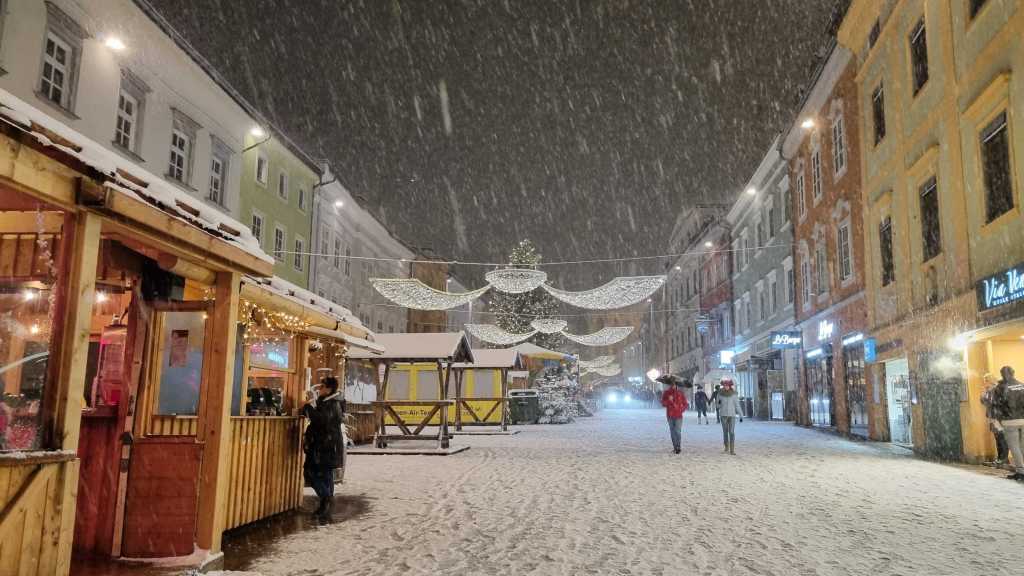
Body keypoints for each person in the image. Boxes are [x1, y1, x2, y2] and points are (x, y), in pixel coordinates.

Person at [302, 377, 345, 520]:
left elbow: (321, 420)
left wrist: (307, 407)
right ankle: (326, 504)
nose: (319, 388)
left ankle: (326, 499)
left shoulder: (332, 404)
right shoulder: (331, 402)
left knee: (313, 474)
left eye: (322, 386)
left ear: (328, 389)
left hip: (324, 446)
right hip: (327, 445)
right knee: (325, 475)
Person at [991, 366, 1024, 481]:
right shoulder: (1021, 385)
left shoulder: (999, 388)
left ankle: (1021, 472)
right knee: (1022, 446)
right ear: (1013, 373)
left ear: (1001, 374)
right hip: (1023, 420)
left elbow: (995, 405)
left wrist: (997, 420)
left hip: (1009, 421)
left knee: (1014, 447)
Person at [980, 373, 1009, 467]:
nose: (984, 383)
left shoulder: (997, 389)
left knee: (1001, 438)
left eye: (985, 380)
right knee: (998, 437)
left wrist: (986, 394)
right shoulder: (990, 389)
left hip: (998, 417)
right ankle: (1000, 458)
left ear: (990, 380)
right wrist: (984, 394)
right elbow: (984, 402)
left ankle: (1003, 459)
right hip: (993, 417)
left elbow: (992, 401)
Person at [659, 375, 689, 454]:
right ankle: (675, 447)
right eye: (672, 384)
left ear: (676, 385)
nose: (673, 386)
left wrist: (681, 410)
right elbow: (663, 403)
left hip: (678, 415)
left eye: (674, 384)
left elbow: (685, 404)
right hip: (670, 415)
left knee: (678, 431)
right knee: (672, 431)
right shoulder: (666, 393)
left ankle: (678, 447)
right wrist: (669, 400)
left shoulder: (680, 394)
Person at [718, 377, 742, 455]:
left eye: (727, 385)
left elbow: (737, 405)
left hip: (732, 415)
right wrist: (719, 403)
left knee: (731, 432)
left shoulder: (734, 394)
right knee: (725, 432)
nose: (726, 387)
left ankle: (732, 450)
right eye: (725, 385)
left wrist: (741, 415)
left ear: (730, 386)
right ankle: (726, 447)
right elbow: (717, 406)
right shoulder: (720, 394)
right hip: (723, 415)